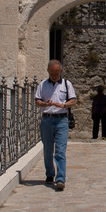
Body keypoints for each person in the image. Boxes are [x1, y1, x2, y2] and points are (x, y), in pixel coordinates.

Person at [35, 60, 76, 191]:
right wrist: (44, 104)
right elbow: (37, 101)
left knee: (60, 150)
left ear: (61, 71)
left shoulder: (66, 84)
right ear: (48, 71)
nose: (54, 76)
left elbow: (73, 100)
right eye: (52, 73)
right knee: (48, 150)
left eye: (56, 73)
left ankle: (60, 179)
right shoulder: (42, 84)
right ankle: (49, 174)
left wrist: (63, 105)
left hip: (61, 120)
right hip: (47, 119)